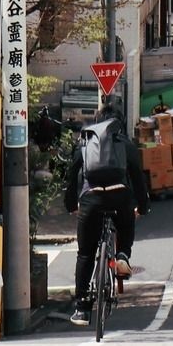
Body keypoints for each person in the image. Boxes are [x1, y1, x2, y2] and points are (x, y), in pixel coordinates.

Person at [64, 103, 148, 326]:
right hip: (120, 196)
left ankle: (82, 308)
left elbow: (72, 176)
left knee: (85, 254)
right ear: (118, 124)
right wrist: (143, 207)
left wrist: (71, 204)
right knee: (126, 221)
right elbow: (138, 179)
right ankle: (122, 255)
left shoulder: (85, 143)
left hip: (91, 199)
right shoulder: (125, 145)